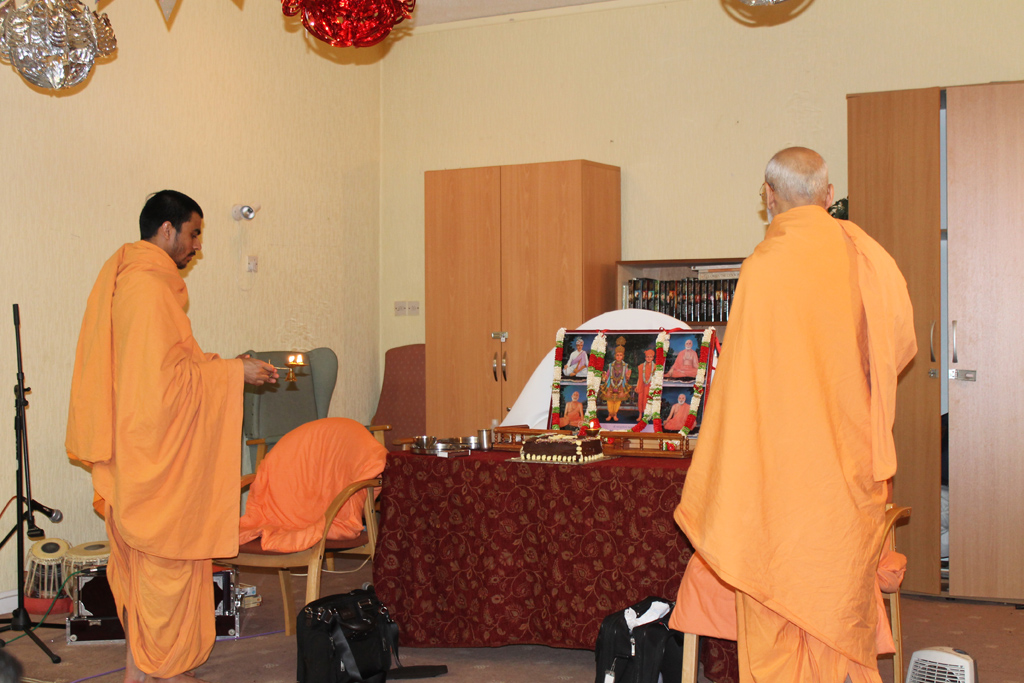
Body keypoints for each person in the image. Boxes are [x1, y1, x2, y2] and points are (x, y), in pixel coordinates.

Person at [672, 148, 916, 683]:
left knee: (772, 581)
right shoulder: (864, 255)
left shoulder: (763, 268)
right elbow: (898, 346)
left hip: (777, 472)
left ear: (769, 197)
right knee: (836, 585)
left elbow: (739, 382)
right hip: (845, 467)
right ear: (829, 195)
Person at [66, 190, 279, 683]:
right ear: (167, 230)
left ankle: (141, 669)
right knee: (166, 563)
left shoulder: (134, 280)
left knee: (146, 567)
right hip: (151, 456)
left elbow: (172, 366)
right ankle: (159, 669)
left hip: (138, 447)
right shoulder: (145, 288)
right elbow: (161, 388)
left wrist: (230, 367)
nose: (197, 246)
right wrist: (233, 374)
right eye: (194, 233)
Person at [600, 345, 631, 421]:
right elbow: (607, 375)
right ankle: (610, 414)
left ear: (623, 356)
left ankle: (615, 414)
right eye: (617, 355)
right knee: (609, 401)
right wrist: (604, 376)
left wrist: (628, 376)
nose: (619, 357)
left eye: (620, 355)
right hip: (610, 385)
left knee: (617, 401)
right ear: (615, 356)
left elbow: (626, 377)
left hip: (620, 385)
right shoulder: (611, 365)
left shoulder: (625, 366)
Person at [635, 349, 656, 418]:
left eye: (650, 357)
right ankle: (640, 414)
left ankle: (647, 416)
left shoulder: (655, 367)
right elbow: (639, 377)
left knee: (648, 400)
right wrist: (637, 386)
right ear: (645, 358)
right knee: (640, 400)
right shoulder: (641, 366)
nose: (649, 358)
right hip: (642, 385)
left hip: (650, 386)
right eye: (647, 357)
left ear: (653, 358)